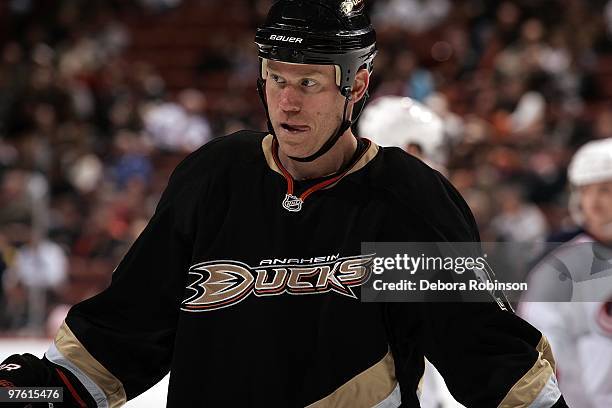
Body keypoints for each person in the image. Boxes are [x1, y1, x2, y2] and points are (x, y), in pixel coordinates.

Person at [0, 1, 568, 407]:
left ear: (358, 86)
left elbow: (481, 348)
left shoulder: (409, 198)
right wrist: (44, 390)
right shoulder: (213, 176)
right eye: (276, 80)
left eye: (311, 84)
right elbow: (129, 325)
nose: (287, 103)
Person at [520, 138, 612, 408]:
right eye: (585, 191)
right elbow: (541, 362)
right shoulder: (559, 269)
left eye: (606, 190)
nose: (593, 204)